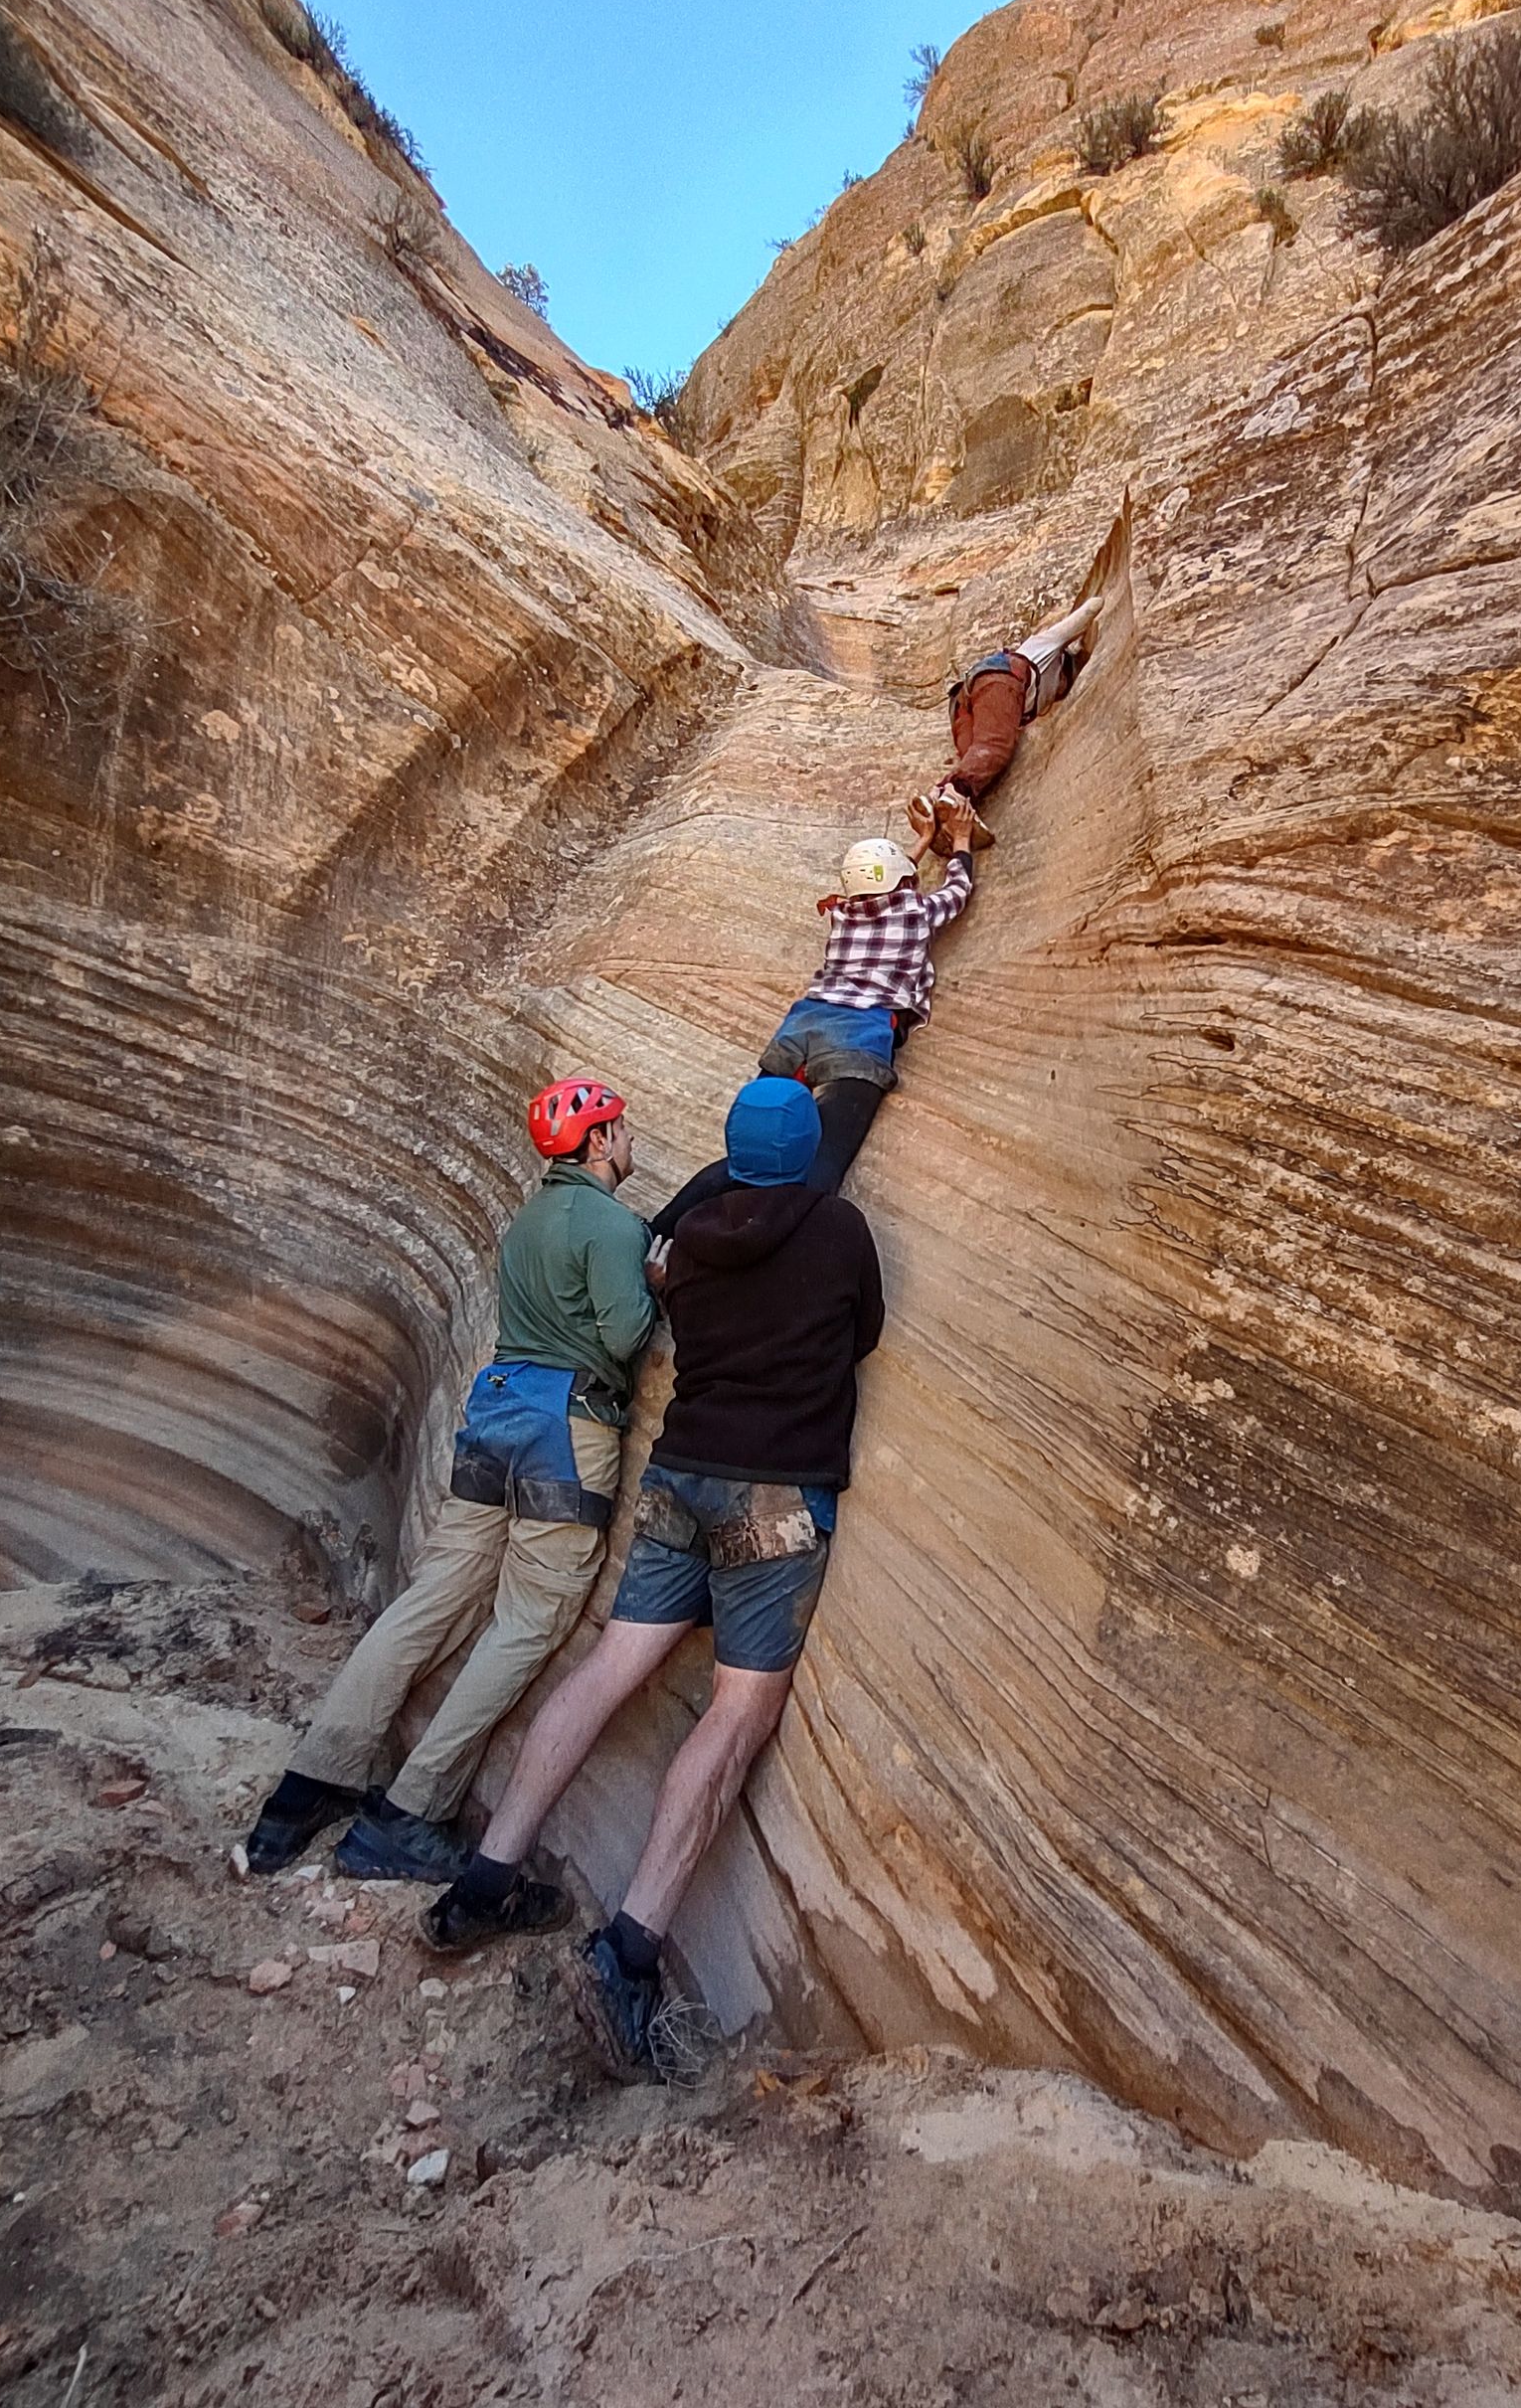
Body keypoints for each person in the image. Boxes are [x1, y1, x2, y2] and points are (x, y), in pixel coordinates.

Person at [416, 1075, 885, 2086]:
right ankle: (629, 1951)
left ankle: (487, 1875)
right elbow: (867, 1333)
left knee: (613, 1662)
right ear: (809, 1151)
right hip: (773, 1498)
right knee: (737, 1713)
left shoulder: (685, 1248)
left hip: (678, 1478)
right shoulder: (840, 1231)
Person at [243, 1078, 656, 1882]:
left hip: (494, 1412)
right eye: (621, 1129)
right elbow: (627, 1334)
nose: (629, 1140)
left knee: (434, 1596)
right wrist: (651, 1279)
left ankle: (309, 1786)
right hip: (565, 1428)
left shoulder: (525, 1224)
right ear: (598, 1143)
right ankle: (408, 1812)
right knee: (528, 1620)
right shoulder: (610, 1224)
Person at [648, 795, 977, 1240]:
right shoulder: (916, 912)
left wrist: (920, 840)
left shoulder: (841, 913)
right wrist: (960, 838)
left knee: (752, 1155)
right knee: (822, 1165)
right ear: (905, 881)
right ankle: (777, 1256)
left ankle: (656, 1233)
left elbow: (876, 885)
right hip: (856, 1037)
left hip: (799, 1029)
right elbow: (956, 891)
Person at [909, 593, 1102, 852]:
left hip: (961, 702)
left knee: (975, 757)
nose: (1063, 687)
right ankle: (956, 793)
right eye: (1066, 680)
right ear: (1062, 667)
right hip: (999, 679)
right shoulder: (1041, 649)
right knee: (995, 747)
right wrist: (1097, 604)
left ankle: (936, 799)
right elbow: (1087, 612)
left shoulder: (1038, 695)